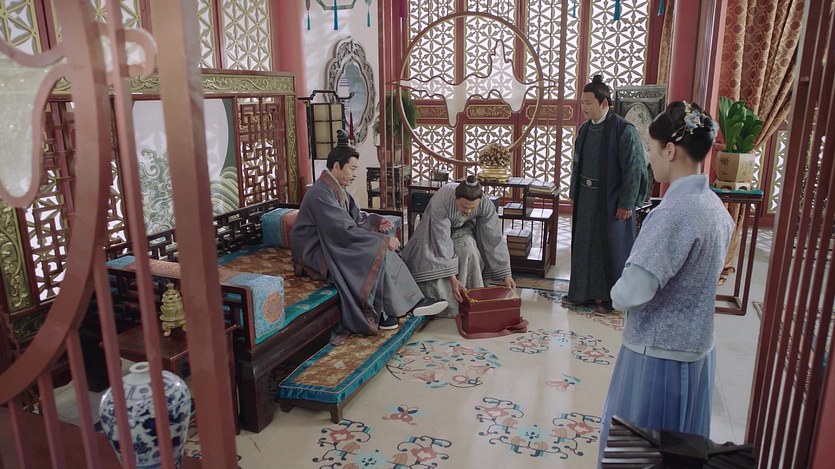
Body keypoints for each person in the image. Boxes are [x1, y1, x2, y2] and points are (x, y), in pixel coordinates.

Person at [598, 102, 734, 459]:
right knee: (682, 450)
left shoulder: (673, 213)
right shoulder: (716, 208)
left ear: (670, 150)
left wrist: (616, 291)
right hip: (697, 348)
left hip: (659, 356)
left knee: (642, 450)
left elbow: (633, 292)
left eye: (651, 148)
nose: (649, 156)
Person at [290, 130, 447, 339]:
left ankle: (403, 305)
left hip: (331, 242)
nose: (355, 174)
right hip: (315, 253)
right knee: (374, 251)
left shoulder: (336, 188)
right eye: (352, 168)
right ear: (336, 166)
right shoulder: (320, 193)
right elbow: (343, 230)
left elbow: (355, 217)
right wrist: (383, 240)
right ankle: (386, 310)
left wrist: (376, 221)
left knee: (379, 250)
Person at [563, 74, 648, 312]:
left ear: (604, 103)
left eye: (588, 103)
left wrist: (627, 203)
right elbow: (576, 165)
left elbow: (634, 169)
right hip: (587, 198)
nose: (584, 107)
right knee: (585, 245)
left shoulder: (624, 130)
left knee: (613, 248)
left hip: (612, 200)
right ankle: (583, 294)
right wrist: (574, 193)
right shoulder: (584, 129)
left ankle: (613, 299)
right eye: (582, 102)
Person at [402, 175, 515, 317]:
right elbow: (441, 241)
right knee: (433, 263)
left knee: (469, 248)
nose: (468, 211)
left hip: (463, 229)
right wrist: (452, 278)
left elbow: (493, 237)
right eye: (464, 207)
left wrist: (506, 273)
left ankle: (473, 299)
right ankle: (446, 306)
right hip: (433, 233)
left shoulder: (485, 204)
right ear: (456, 196)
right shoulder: (442, 201)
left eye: (472, 208)